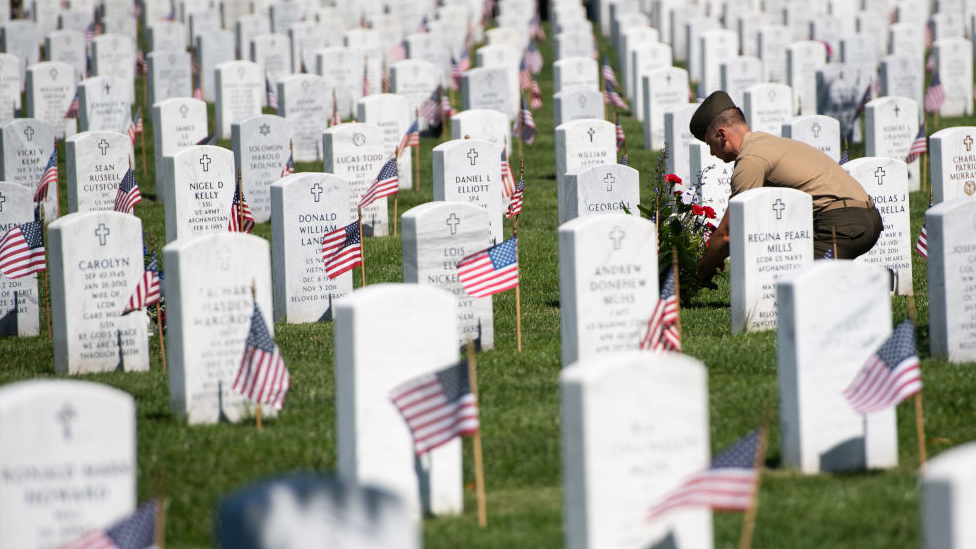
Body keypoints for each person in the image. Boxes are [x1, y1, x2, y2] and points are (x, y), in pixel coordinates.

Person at [690, 91, 883, 286]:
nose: (712, 152)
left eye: (710, 144)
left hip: (842, 225)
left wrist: (696, 276)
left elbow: (728, 234)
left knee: (789, 289)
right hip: (868, 217)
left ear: (722, 134)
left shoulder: (751, 160)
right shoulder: (767, 142)